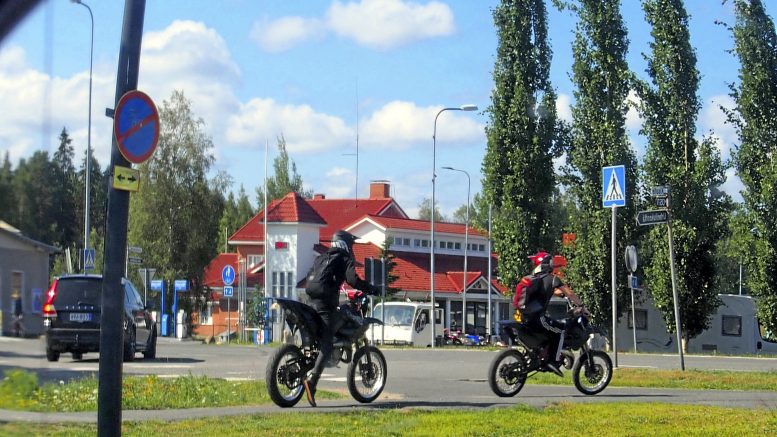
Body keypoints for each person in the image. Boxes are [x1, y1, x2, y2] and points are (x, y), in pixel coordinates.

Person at [303, 230, 377, 407]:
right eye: (350, 245)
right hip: (325, 306)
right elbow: (353, 280)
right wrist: (370, 288)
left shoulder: (321, 257)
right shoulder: (344, 258)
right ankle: (312, 383)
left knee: (315, 340)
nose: (351, 249)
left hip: (309, 302)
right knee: (327, 344)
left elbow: (310, 278)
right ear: (345, 244)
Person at [521, 251, 587, 376]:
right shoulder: (553, 279)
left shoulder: (534, 279)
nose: (553, 265)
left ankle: (543, 355)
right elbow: (570, 293)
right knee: (561, 330)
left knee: (551, 329)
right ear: (547, 264)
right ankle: (553, 361)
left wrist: (559, 293)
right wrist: (582, 306)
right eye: (551, 262)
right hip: (538, 319)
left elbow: (550, 291)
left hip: (525, 318)